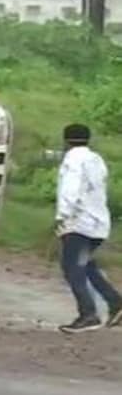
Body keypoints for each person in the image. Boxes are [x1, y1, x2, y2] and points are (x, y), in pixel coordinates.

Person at [54, 124, 122, 333]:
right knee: (86, 265)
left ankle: (88, 314)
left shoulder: (73, 159)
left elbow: (70, 188)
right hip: (98, 223)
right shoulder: (96, 160)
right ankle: (116, 303)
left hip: (79, 223)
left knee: (72, 268)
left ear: (66, 140)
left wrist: (62, 216)